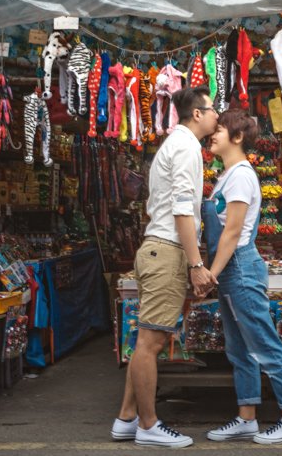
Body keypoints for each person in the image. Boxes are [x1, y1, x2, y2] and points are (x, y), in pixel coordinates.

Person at [111, 86, 218, 448]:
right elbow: (183, 209)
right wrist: (195, 264)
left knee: (146, 339)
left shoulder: (174, 145)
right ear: (198, 115)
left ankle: (127, 417)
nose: (217, 115)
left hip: (157, 248)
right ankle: (148, 424)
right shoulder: (187, 147)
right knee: (150, 343)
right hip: (167, 249)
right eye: (212, 109)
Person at [202, 109, 282, 445]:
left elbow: (232, 233)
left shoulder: (242, 176)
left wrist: (210, 274)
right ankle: (247, 418)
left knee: (264, 344)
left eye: (219, 129)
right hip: (232, 270)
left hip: (240, 267)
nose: (212, 134)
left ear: (236, 137)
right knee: (239, 350)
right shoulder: (227, 174)